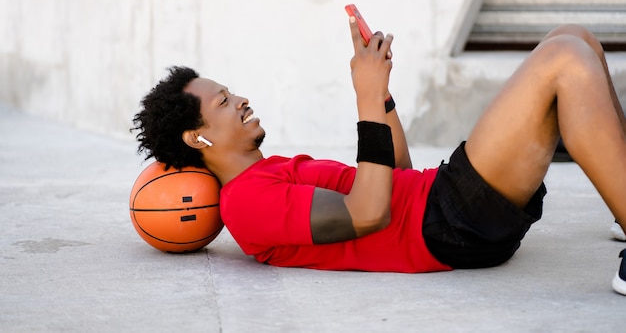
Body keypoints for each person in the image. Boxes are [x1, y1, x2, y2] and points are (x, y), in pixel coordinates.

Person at [132, 18, 626, 294]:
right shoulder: (245, 203)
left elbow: (397, 177)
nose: (239, 100)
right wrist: (364, 98)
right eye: (222, 101)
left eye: (231, 92)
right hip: (447, 224)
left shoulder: (273, 170)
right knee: (565, 59)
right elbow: (369, 213)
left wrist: (381, 95)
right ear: (198, 138)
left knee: (573, 37)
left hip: (441, 202)